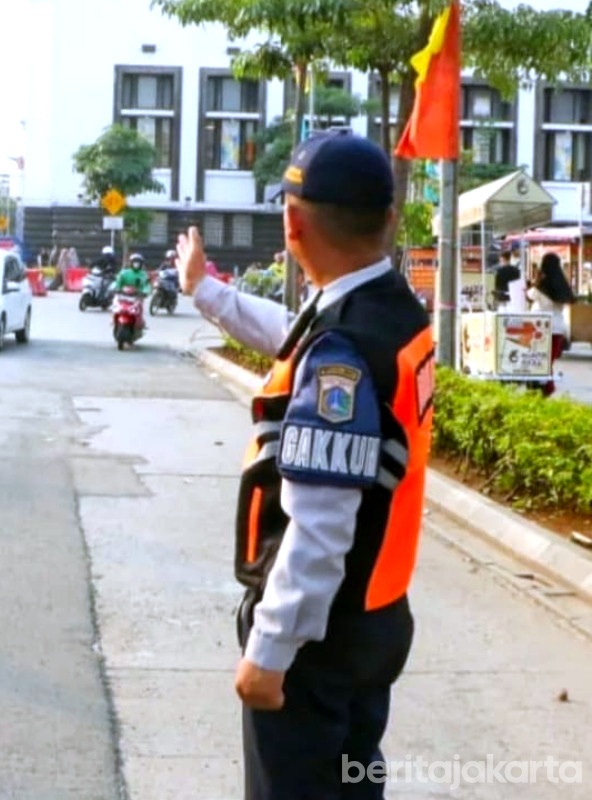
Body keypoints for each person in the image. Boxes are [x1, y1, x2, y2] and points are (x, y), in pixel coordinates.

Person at [176, 129, 432, 800]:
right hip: (375, 614)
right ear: (387, 216)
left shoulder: (342, 349)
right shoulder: (389, 311)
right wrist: (208, 292)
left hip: (318, 645)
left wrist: (269, 652)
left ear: (292, 222)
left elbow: (319, 527)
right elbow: (299, 333)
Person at [529, 252, 576, 396]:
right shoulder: (562, 284)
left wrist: (535, 280)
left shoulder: (541, 285)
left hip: (539, 328)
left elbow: (530, 295)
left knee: (538, 361)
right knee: (548, 362)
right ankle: (546, 388)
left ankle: (543, 389)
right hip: (557, 328)